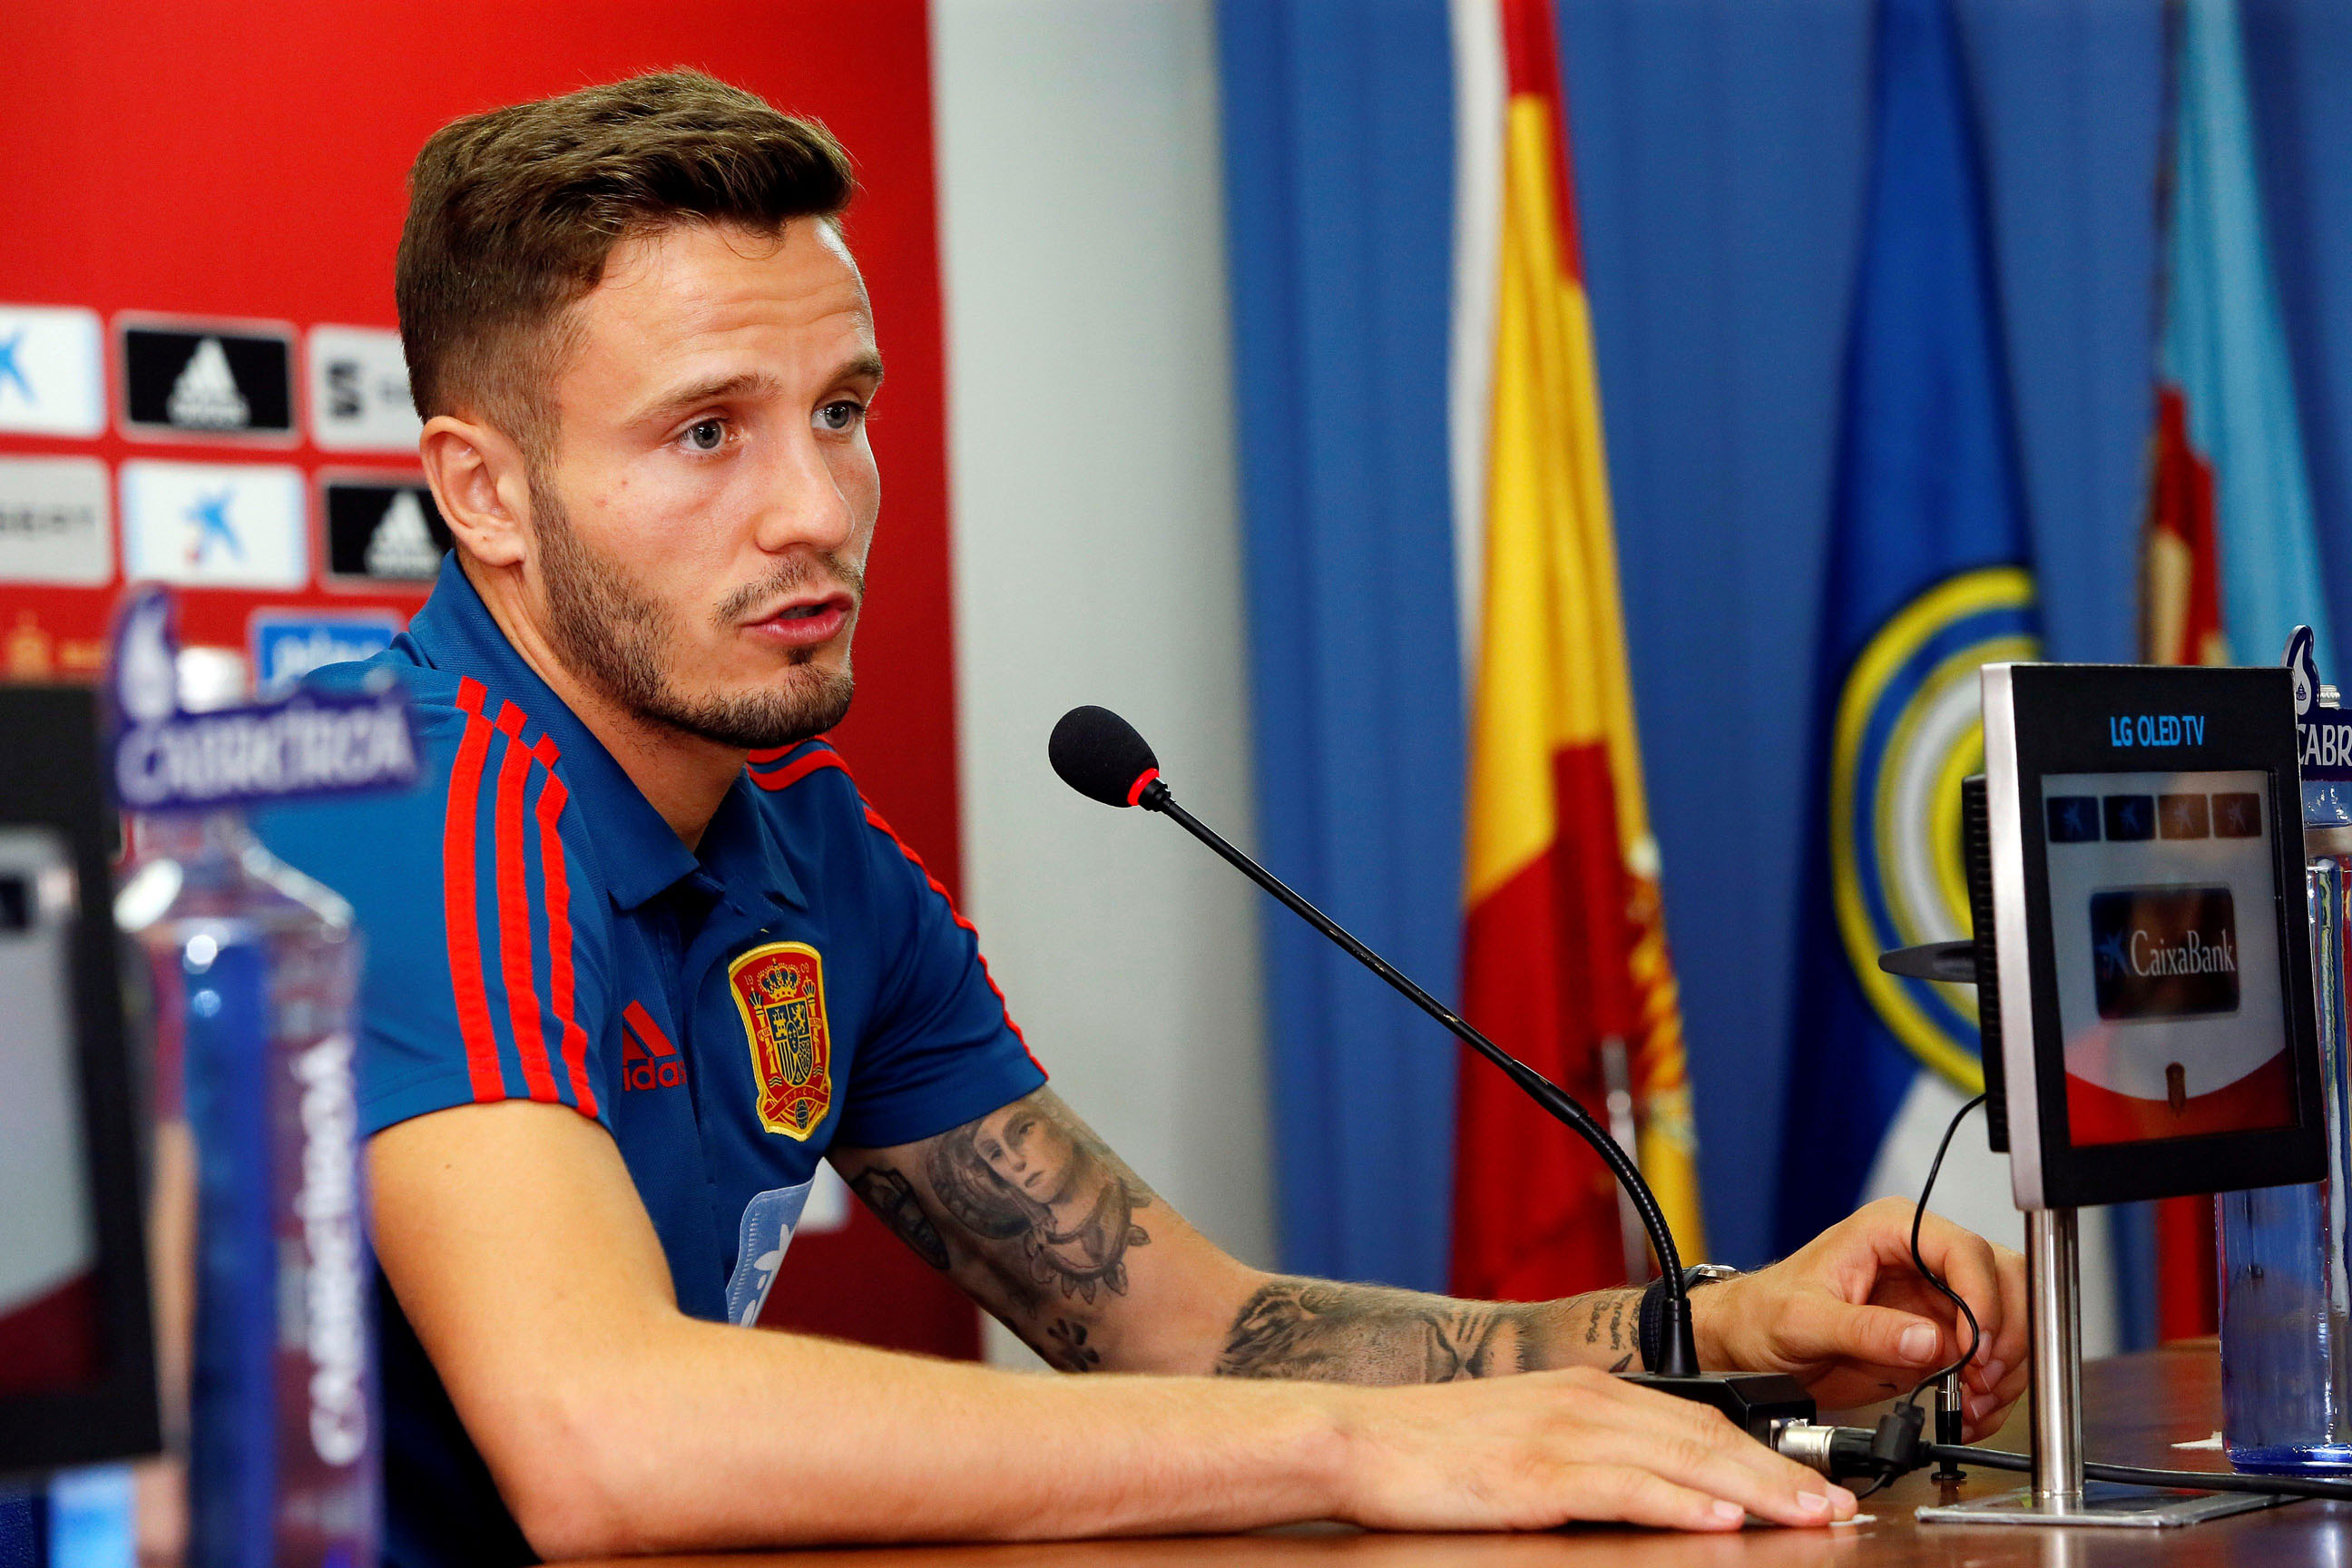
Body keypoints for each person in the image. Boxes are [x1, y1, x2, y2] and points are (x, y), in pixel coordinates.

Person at [259, 70, 2030, 1567]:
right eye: (707, 432)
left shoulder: (810, 850)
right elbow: (602, 1441)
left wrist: (1711, 1328)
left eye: (844, 411)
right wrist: (1352, 1456)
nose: (817, 507)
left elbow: (1186, 1323)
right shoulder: (404, 803)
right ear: (483, 493)